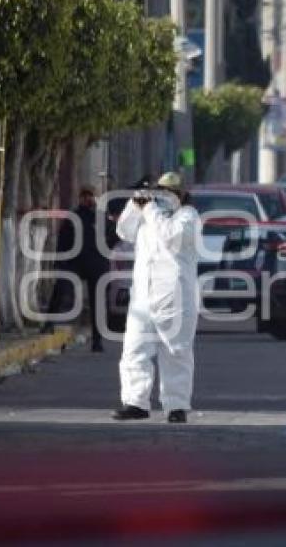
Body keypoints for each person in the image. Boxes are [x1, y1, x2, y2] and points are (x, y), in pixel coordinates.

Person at [112, 172, 201, 423]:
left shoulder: (188, 217)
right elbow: (123, 230)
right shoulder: (148, 216)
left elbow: (171, 237)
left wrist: (150, 208)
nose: (164, 195)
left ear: (181, 194)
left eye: (170, 191)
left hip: (176, 298)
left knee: (176, 352)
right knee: (134, 350)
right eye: (160, 190)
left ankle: (176, 406)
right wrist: (135, 203)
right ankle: (135, 403)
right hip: (143, 297)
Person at [41, 186, 112, 352]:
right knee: (60, 289)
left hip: (96, 264)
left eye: (91, 196)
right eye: (85, 196)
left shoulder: (101, 217)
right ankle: (49, 324)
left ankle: (97, 341)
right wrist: (59, 262)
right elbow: (63, 241)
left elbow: (113, 236)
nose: (88, 199)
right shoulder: (73, 217)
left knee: (97, 302)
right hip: (74, 262)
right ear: (80, 198)